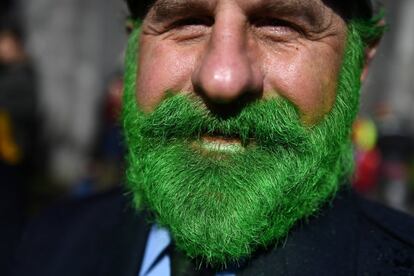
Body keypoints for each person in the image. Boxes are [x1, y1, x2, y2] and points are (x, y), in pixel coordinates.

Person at [11, 0, 414, 275]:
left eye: (281, 24)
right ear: (133, 45)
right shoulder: (47, 243)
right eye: (186, 20)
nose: (222, 79)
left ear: (359, 61)